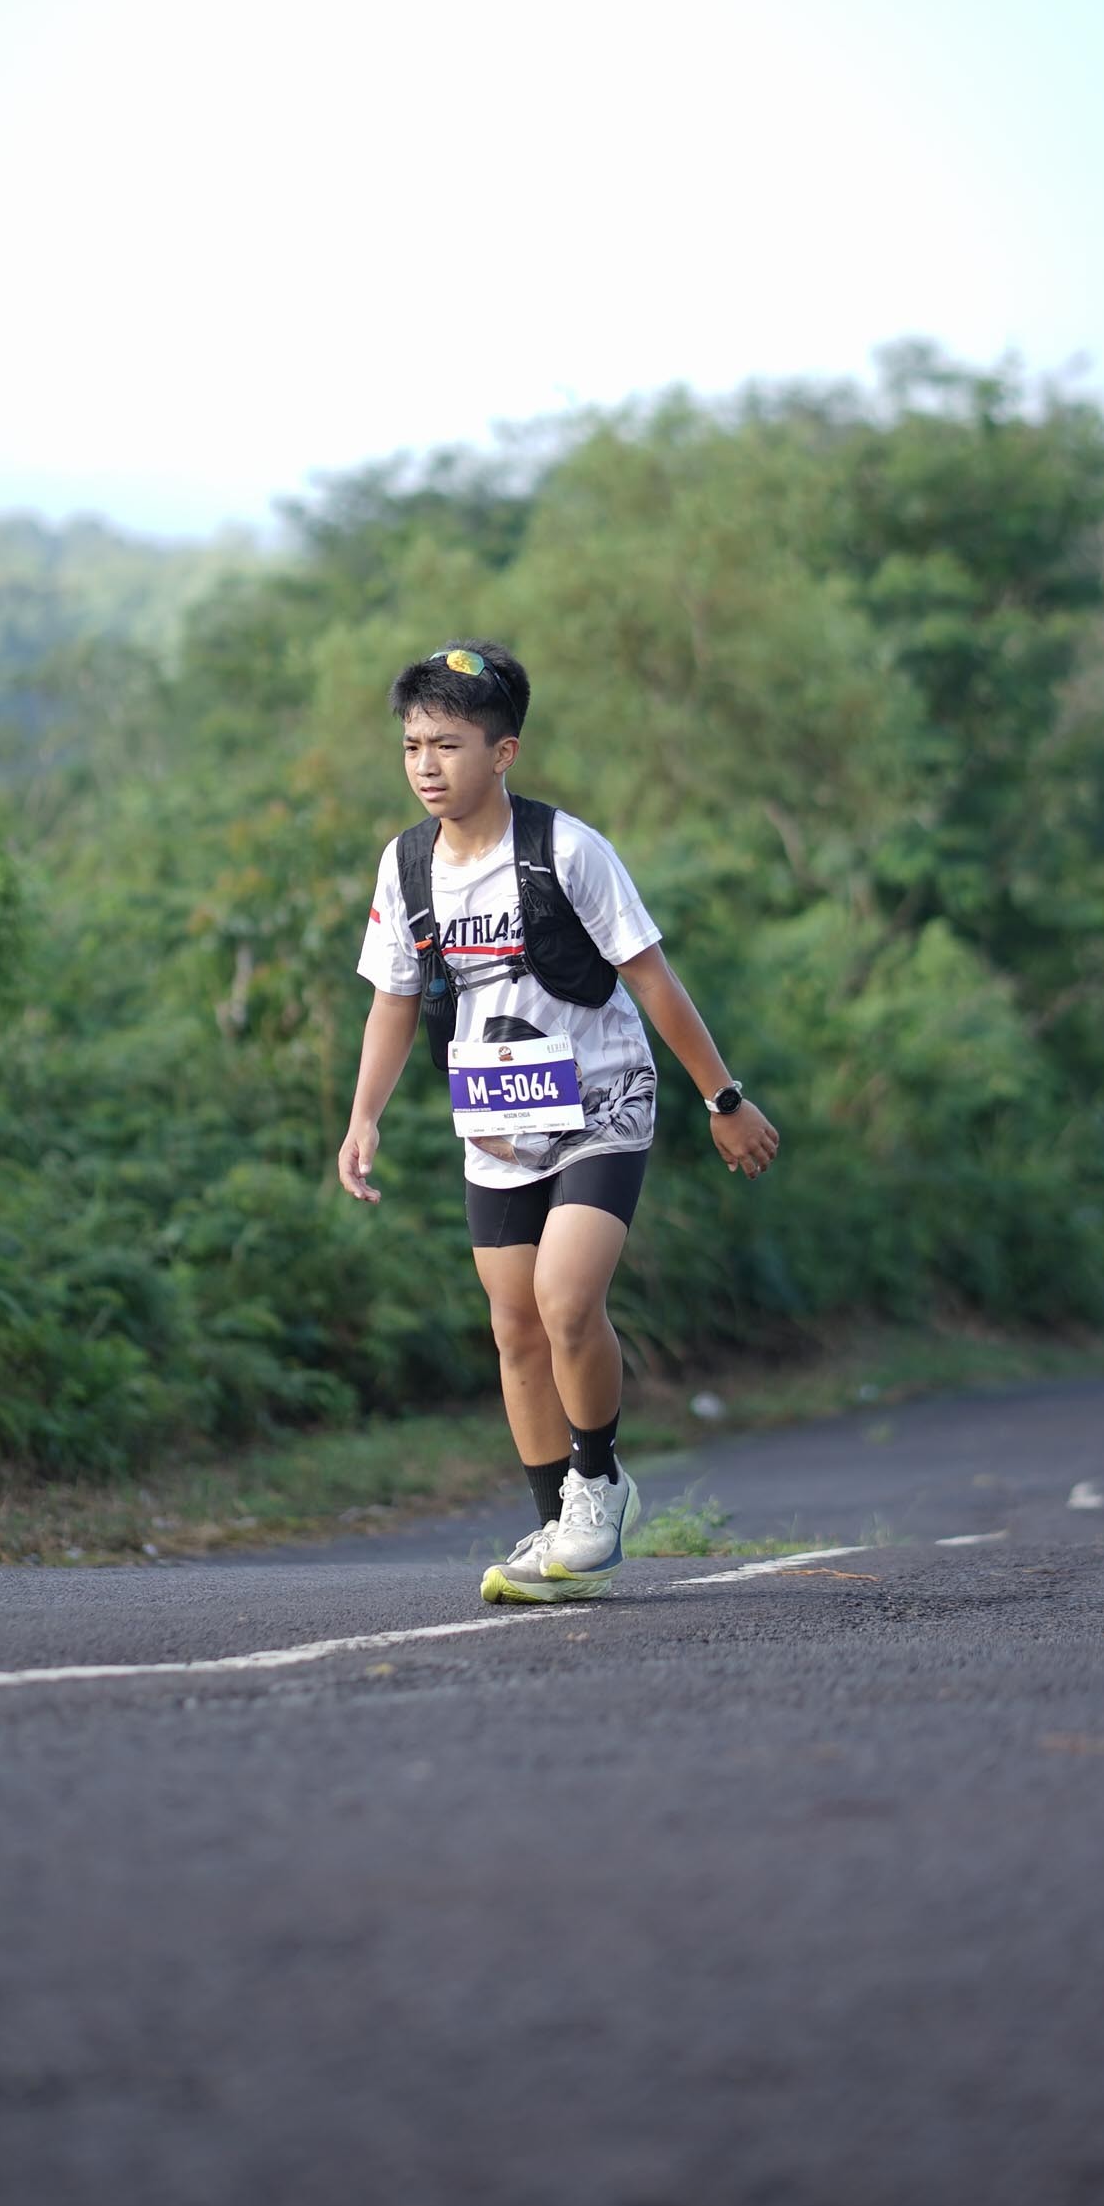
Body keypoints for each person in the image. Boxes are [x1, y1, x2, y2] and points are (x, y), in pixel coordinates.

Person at [338, 640, 779, 1604]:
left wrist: (724, 1100)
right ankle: (555, 1525)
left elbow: (650, 978)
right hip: (496, 1125)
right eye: (412, 745)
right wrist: (364, 1116)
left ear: (503, 752)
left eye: (447, 744)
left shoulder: (566, 850)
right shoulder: (405, 867)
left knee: (565, 1300)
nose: (425, 765)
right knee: (514, 1329)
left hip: (604, 1102)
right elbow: (394, 1000)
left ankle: (598, 1485)